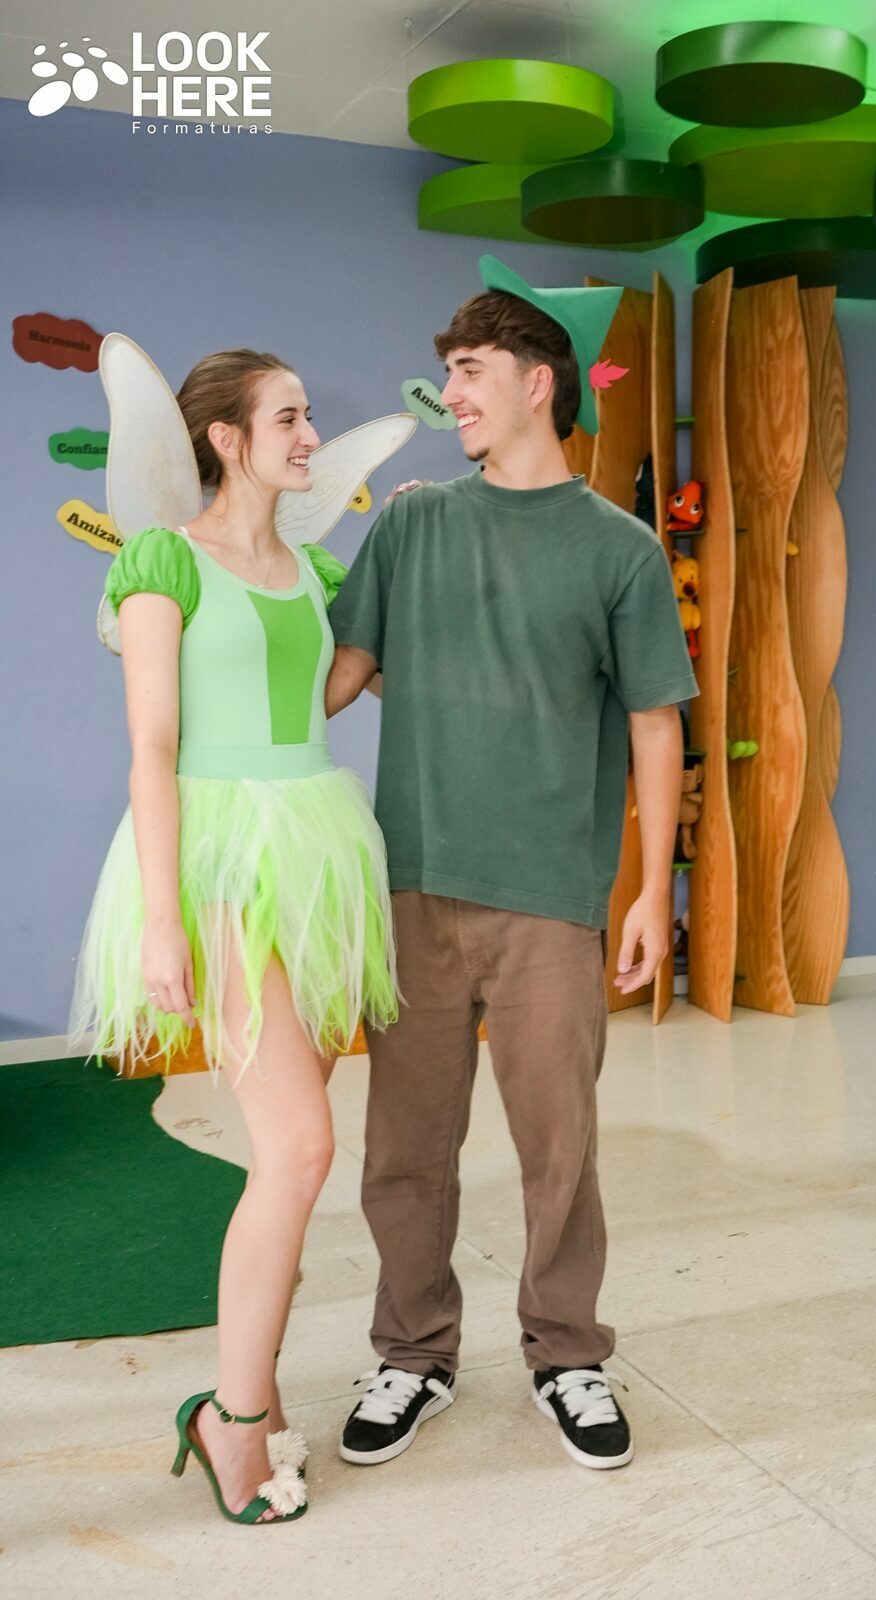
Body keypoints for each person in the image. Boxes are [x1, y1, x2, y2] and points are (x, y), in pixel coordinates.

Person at [326, 256, 698, 1472]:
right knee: (403, 1149)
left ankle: (566, 1353)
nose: (449, 394)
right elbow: (333, 678)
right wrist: (188, 633)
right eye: (447, 373)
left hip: (550, 897)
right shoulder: (411, 524)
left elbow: (655, 722)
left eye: (468, 371)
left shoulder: (620, 550)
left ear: (538, 382)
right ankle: (412, 1351)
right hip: (414, 886)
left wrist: (647, 887)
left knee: (558, 1150)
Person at [71, 349, 399, 1524]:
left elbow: (320, 695)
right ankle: (234, 1417)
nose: (311, 436)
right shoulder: (165, 561)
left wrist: (409, 550)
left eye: (308, 416)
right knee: (301, 1148)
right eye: (289, 417)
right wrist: (163, 916)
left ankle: (244, 1391)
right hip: (215, 863)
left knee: (288, 1160)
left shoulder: (314, 569)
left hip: (315, 848)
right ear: (225, 437)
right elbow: (153, 747)